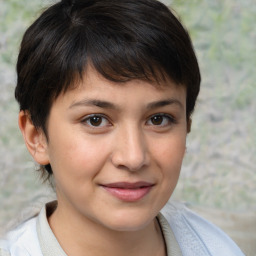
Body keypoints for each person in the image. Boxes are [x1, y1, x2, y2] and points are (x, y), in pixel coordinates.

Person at [0, 0, 245, 255]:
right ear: (36, 136)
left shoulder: (217, 248)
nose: (133, 157)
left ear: (186, 128)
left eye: (159, 119)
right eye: (95, 120)